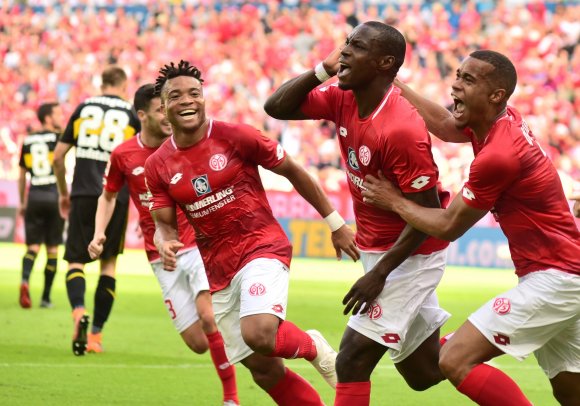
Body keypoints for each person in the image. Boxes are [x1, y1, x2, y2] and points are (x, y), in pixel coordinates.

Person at [362, 50, 580, 405]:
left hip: (555, 279)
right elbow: (448, 126)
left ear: (496, 95)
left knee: (455, 360)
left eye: (468, 80)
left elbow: (448, 226)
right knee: (571, 392)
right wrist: (392, 85)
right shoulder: (501, 119)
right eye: (458, 75)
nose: (455, 85)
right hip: (566, 276)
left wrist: (394, 200)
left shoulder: (499, 155)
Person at [145, 60, 359, 405]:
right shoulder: (157, 165)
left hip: (261, 246)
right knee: (263, 370)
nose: (187, 101)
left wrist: (335, 223)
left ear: (204, 99)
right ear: (164, 109)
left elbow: (294, 171)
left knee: (259, 333)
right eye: (176, 96)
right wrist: (165, 242)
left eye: (194, 94)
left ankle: (313, 345)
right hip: (218, 267)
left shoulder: (235, 135)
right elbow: (164, 225)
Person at [265, 21, 451, 405]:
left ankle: (491, 335)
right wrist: (323, 70)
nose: (345, 50)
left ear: (385, 63)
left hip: (412, 256)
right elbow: (276, 107)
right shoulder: (343, 97)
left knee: (350, 360)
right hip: (377, 249)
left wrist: (381, 274)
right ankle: (482, 341)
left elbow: (430, 209)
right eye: (347, 43)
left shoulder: (400, 128)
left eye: (357, 47)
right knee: (424, 372)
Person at [87, 84, 239, 406]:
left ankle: (231, 397)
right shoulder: (124, 154)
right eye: (160, 110)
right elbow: (109, 196)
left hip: (197, 246)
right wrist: (99, 232)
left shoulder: (183, 147)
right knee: (197, 342)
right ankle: (245, 325)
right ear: (142, 115)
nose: (168, 115)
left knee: (208, 316)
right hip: (159, 257)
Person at [53, 65, 140, 356]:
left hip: (82, 194)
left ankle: (78, 310)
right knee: (109, 264)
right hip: (116, 195)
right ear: (123, 85)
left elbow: (58, 156)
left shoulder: (83, 108)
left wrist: (65, 193)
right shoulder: (130, 113)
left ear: (102, 83)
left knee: (75, 262)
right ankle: (96, 336)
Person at [17, 102, 65, 309]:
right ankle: (45, 298)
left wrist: (22, 201)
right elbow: (61, 161)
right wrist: (65, 194)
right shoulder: (58, 138)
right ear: (47, 118)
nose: (60, 117)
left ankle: (25, 280)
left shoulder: (28, 140)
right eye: (57, 114)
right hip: (54, 195)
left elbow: (21, 175)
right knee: (52, 250)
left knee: (33, 247)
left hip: (34, 196)